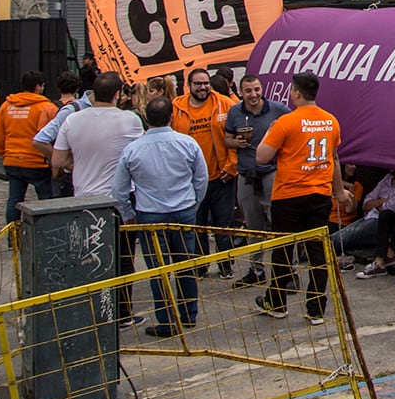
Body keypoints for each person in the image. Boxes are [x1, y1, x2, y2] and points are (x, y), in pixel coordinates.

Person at [253, 71, 351, 326]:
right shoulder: (331, 121)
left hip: (289, 194)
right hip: (318, 194)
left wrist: (268, 133)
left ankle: (277, 302)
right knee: (317, 251)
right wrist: (338, 191)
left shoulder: (286, 121)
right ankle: (316, 308)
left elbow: (262, 156)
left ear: (297, 92)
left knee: (283, 250)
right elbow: (334, 157)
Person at [54, 71, 146, 325]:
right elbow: (137, 158)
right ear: (118, 94)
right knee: (123, 260)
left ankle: (90, 312)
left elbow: (57, 161)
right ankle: (122, 314)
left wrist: (81, 163)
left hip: (83, 199)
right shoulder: (130, 120)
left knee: (88, 259)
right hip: (119, 201)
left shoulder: (73, 120)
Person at [111, 96, 208, 338]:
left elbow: (119, 189)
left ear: (146, 119)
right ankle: (188, 315)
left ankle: (167, 321)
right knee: (185, 265)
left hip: (150, 215)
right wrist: (194, 203)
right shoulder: (187, 143)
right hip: (183, 212)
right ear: (172, 117)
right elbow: (201, 178)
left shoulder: (133, 149)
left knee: (158, 269)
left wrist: (128, 214)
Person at [223, 73, 290, 288]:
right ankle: (256, 270)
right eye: (249, 91)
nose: (254, 94)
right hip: (247, 176)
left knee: (280, 224)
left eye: (257, 90)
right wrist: (236, 142)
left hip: (271, 173)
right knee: (253, 226)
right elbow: (226, 139)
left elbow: (294, 129)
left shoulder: (277, 109)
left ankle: (286, 272)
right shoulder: (234, 112)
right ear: (241, 92)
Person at [173, 67, 238, 278]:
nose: (202, 88)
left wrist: (231, 167)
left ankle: (226, 265)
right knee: (197, 225)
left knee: (224, 224)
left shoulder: (224, 103)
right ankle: (200, 266)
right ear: (188, 86)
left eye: (205, 83)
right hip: (191, 180)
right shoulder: (177, 108)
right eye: (198, 84)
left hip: (222, 177)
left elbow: (238, 137)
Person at [0, 71, 59, 223]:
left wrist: (5, 154)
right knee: (45, 201)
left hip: (12, 160)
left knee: (14, 201)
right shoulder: (45, 107)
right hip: (37, 162)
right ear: (38, 87)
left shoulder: (7, 105)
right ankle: (47, 233)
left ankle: (13, 238)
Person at [332, 167, 395, 274]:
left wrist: (375, 204)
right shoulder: (387, 178)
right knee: (343, 236)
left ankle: (309, 247)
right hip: (369, 216)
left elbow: (391, 208)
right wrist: (382, 201)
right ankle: (310, 247)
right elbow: (366, 203)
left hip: (383, 223)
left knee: (343, 238)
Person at [35, 72, 91, 198]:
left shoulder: (49, 107)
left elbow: (41, 134)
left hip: (58, 159)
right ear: (77, 88)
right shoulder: (83, 108)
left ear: (59, 87)